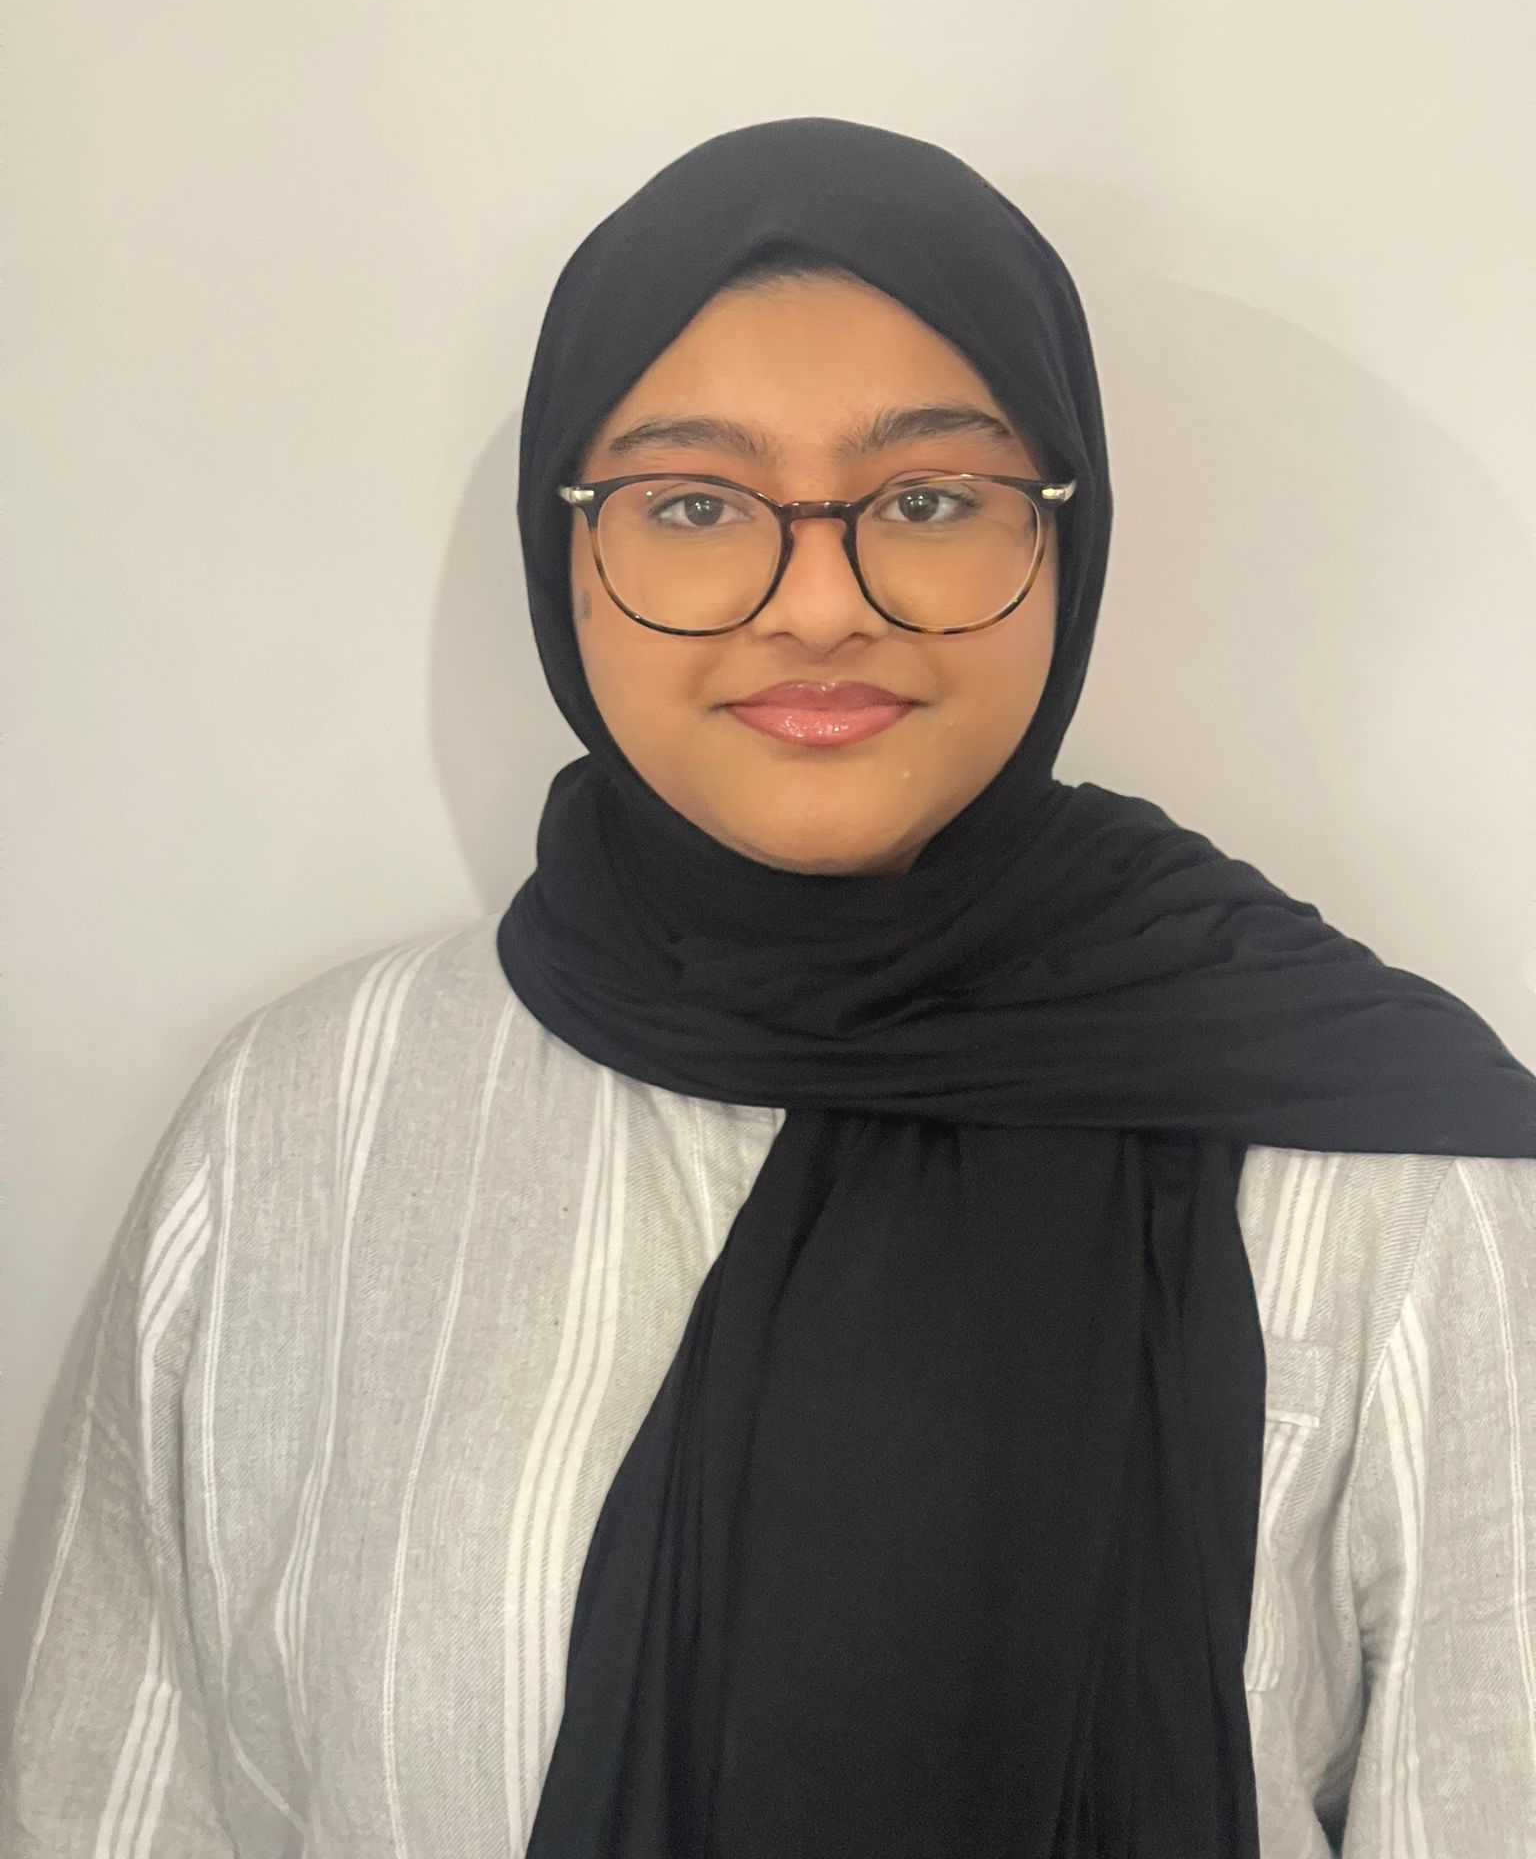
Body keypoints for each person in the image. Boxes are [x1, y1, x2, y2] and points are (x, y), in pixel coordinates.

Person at [3, 117, 1534, 1859]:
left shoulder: (1396, 1175)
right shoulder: (304, 1130)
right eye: (694, 505)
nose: (816, 607)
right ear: (564, 554)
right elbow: (124, 1801)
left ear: (1066, 539)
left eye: (930, 500)